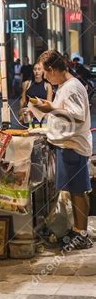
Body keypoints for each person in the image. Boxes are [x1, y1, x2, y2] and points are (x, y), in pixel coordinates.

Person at [34, 49, 93, 250]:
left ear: (52, 69)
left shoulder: (72, 87)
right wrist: (50, 106)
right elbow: (65, 111)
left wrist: (50, 109)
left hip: (73, 146)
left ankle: (81, 233)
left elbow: (76, 115)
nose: (45, 77)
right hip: (67, 145)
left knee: (78, 190)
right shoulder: (65, 86)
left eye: (45, 72)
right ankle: (77, 229)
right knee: (73, 189)